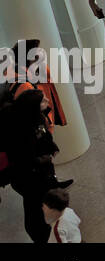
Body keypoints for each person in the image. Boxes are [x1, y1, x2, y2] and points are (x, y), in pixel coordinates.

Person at [0, 89, 61, 239]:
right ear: (33, 106)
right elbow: (24, 159)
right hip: (30, 177)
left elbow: (44, 137)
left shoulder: (35, 118)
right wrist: (43, 159)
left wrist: (51, 148)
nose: (47, 100)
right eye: (42, 100)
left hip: (41, 173)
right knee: (34, 209)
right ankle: (41, 236)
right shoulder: (20, 131)